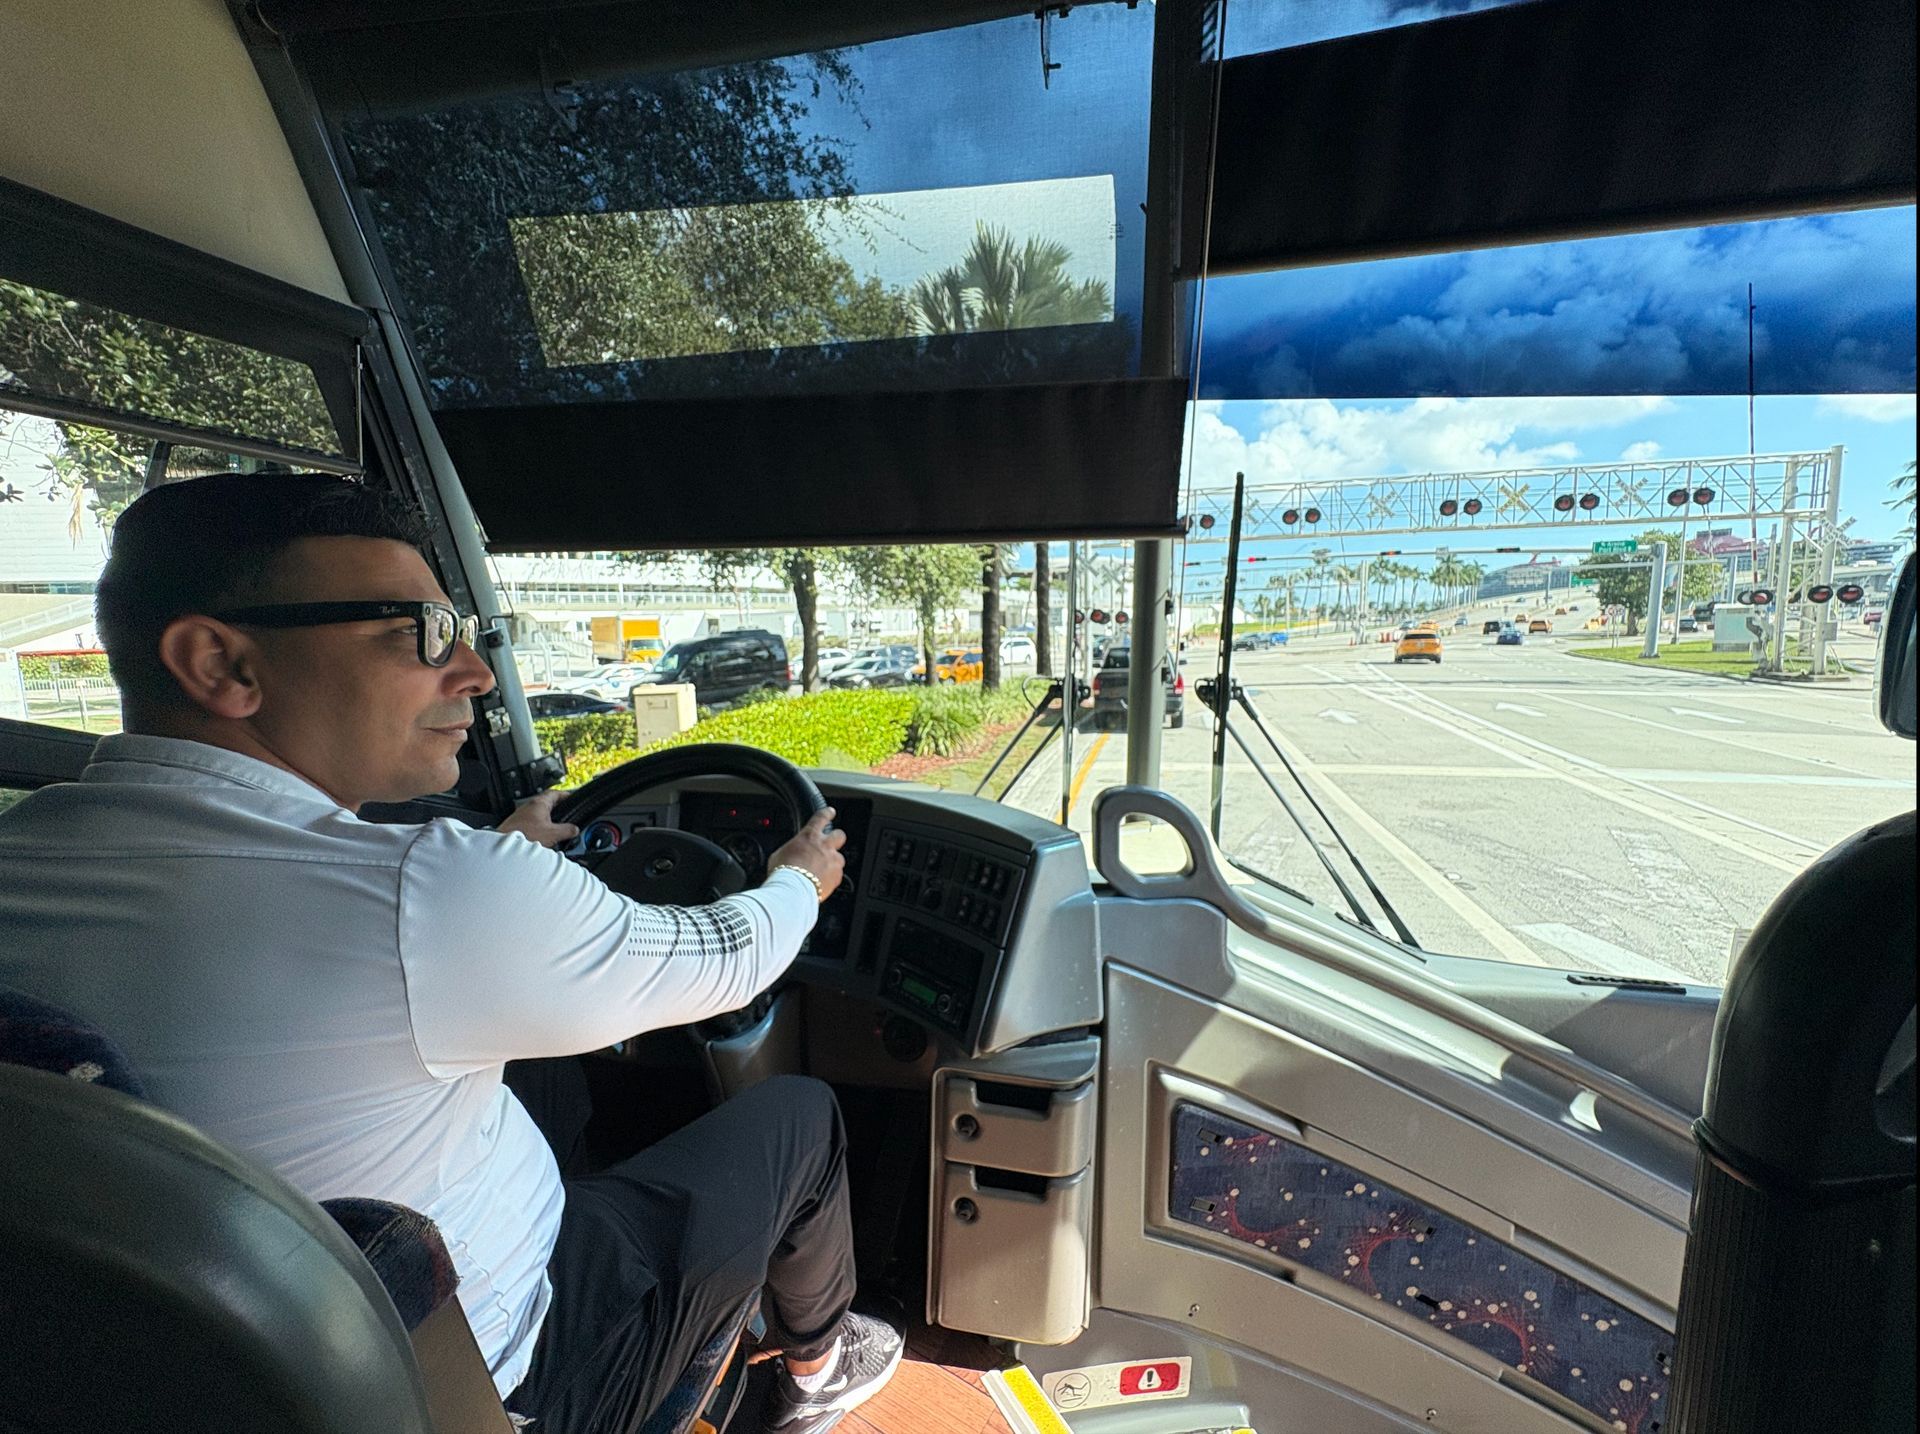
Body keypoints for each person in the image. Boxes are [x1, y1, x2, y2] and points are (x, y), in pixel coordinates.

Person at [0, 474, 902, 1433]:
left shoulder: (27, 855)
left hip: (193, 1378)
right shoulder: (433, 890)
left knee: (549, 1084)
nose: (472, 670)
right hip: (488, 1381)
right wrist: (801, 878)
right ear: (221, 664)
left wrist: (506, 864)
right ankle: (817, 1366)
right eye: (419, 632)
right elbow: (726, 958)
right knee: (801, 1119)